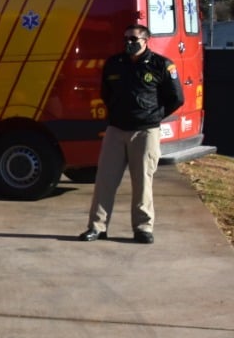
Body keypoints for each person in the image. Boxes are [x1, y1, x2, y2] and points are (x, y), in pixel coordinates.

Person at [78, 24, 184, 244]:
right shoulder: (114, 64)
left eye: (133, 39)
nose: (128, 42)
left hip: (145, 132)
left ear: (146, 40)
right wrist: (117, 113)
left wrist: (154, 116)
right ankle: (97, 227)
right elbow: (106, 93)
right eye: (126, 38)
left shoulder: (161, 65)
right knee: (104, 180)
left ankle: (143, 228)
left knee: (142, 182)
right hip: (116, 130)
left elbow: (176, 98)